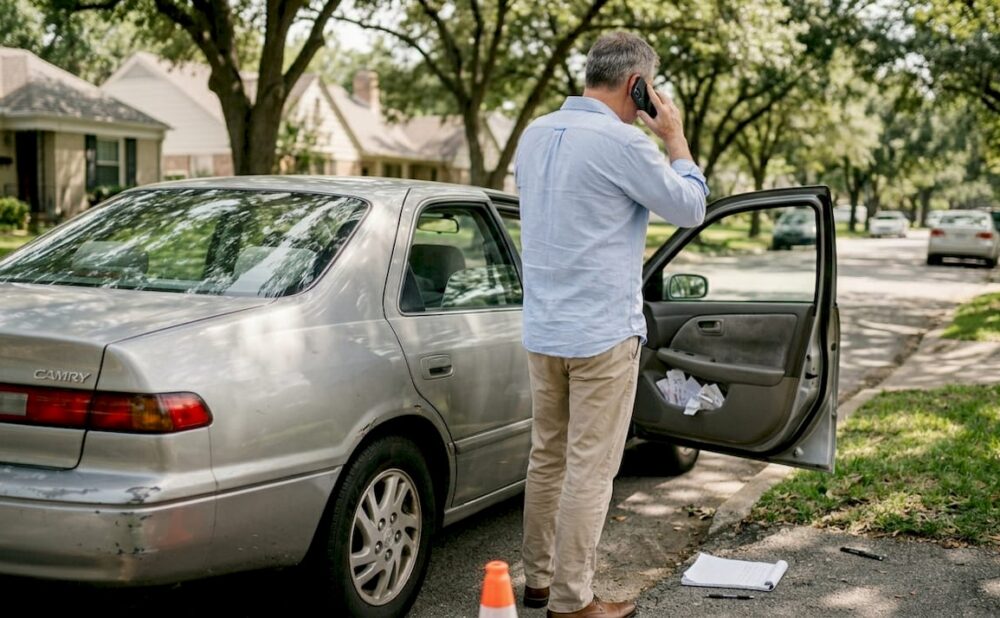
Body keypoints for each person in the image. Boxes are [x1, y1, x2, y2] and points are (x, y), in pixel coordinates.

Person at [515, 31, 708, 618]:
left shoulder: (534, 133)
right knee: (590, 470)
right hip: (601, 334)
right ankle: (573, 604)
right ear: (638, 86)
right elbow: (691, 208)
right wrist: (673, 136)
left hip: (543, 329)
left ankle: (538, 583)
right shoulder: (625, 143)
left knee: (546, 458)